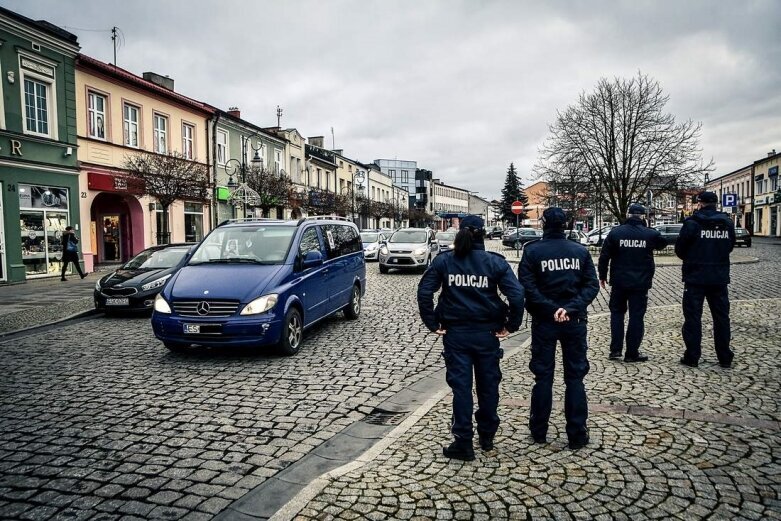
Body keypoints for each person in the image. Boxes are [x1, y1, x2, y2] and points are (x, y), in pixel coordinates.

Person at [417, 215, 525, 461]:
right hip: (487, 335)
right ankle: (486, 436)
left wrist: (432, 323)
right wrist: (511, 325)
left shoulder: (445, 261)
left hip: (457, 335)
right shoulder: (495, 262)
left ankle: (463, 442)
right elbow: (517, 295)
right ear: (483, 234)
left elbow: (424, 291)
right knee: (488, 388)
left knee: (462, 389)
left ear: (460, 233)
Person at [517, 207, 599, 450]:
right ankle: (576, 432)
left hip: (545, 321)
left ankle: (539, 429)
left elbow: (527, 288)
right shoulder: (579, 251)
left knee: (543, 376)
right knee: (575, 378)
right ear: (566, 225)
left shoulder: (532, 251)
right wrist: (570, 308)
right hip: (574, 321)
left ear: (543, 224)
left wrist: (551, 309)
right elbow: (591, 286)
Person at [598, 203, 668, 362]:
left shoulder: (616, 233)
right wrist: (648, 228)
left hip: (619, 281)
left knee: (617, 314)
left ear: (628, 215)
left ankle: (615, 350)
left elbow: (604, 256)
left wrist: (602, 275)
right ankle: (632, 353)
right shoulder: (649, 234)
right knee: (636, 316)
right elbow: (662, 243)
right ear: (643, 216)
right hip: (640, 282)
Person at [675, 191, 736, 368]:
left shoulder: (692, 223)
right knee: (722, 318)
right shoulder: (727, 223)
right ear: (716, 204)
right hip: (719, 277)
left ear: (700, 203)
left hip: (695, 278)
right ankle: (725, 357)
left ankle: (692, 356)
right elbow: (730, 246)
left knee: (693, 318)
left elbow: (680, 249)